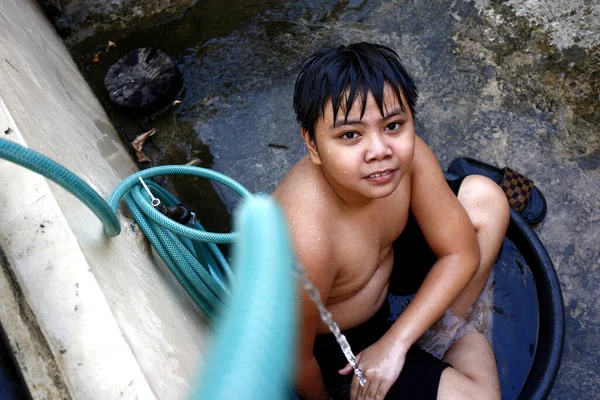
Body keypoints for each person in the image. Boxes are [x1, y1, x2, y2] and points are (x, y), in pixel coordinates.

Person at [273, 42, 509, 400]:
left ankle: (452, 328)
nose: (380, 150)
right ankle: (463, 335)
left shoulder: (408, 160)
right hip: (344, 348)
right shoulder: (305, 239)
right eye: (350, 135)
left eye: (393, 125)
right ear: (312, 145)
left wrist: (396, 343)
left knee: (487, 199)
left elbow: (461, 252)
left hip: (388, 274)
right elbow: (294, 358)